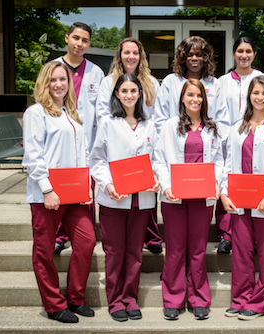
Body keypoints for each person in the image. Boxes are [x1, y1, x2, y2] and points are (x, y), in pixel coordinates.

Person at [22, 61, 96, 323]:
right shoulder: (36, 112)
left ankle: (75, 298)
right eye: (53, 80)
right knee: (43, 251)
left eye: (62, 79)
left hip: (75, 194)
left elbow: (83, 155)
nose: (58, 84)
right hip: (47, 196)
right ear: (44, 82)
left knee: (86, 242)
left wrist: (86, 187)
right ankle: (54, 305)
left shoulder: (71, 114)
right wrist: (47, 189)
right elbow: (33, 155)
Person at [220, 76, 264, 320]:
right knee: (240, 251)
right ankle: (240, 299)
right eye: (255, 92)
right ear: (249, 95)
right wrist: (224, 191)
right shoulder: (238, 126)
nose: (259, 97)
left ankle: (260, 302)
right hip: (240, 200)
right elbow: (229, 161)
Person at [89, 73, 159, 322]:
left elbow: (157, 160)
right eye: (124, 91)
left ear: (140, 94)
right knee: (115, 252)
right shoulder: (108, 123)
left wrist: (158, 179)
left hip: (142, 200)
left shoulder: (150, 125)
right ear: (117, 94)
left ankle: (130, 298)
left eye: (133, 90)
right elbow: (96, 160)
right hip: (114, 199)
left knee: (135, 253)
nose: (129, 95)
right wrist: (107, 184)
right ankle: (115, 300)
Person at [153, 79, 224, 321]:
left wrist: (216, 183)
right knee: (174, 250)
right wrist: (166, 185)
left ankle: (199, 299)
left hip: (202, 198)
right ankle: (173, 299)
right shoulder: (169, 126)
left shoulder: (212, 128)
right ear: (182, 98)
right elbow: (159, 159)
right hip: (174, 197)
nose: (195, 99)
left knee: (198, 249)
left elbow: (220, 161)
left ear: (204, 99)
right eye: (190, 95)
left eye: (199, 95)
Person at [95, 37, 163, 254]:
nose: (131, 56)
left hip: (145, 145)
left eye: (135, 52)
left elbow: (157, 118)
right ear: (120, 55)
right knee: (117, 246)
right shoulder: (108, 82)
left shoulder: (151, 82)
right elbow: (103, 115)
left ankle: (151, 238)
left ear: (141, 56)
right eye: (126, 52)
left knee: (143, 207)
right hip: (118, 150)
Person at [53, 22, 104, 255]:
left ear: (89, 43)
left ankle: (84, 233)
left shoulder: (96, 72)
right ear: (66, 38)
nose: (79, 44)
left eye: (84, 40)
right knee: (61, 186)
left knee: (85, 191)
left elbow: (100, 111)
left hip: (87, 141)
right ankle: (60, 235)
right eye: (76, 38)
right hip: (60, 139)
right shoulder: (52, 67)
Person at [215, 37, 264, 253]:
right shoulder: (223, 81)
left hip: (257, 138)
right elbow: (217, 112)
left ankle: (255, 234)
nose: (244, 55)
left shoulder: (262, 78)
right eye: (240, 51)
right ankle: (226, 234)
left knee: (254, 182)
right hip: (229, 139)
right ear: (233, 54)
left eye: (248, 51)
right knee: (227, 184)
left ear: (254, 54)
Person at [153, 36, 230, 140]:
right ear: (183, 58)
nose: (194, 58)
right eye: (190, 55)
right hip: (175, 141)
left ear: (206, 58)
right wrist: (169, 141)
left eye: (199, 55)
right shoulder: (170, 82)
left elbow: (222, 119)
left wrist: (213, 142)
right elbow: (160, 118)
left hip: (206, 143)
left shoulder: (214, 84)